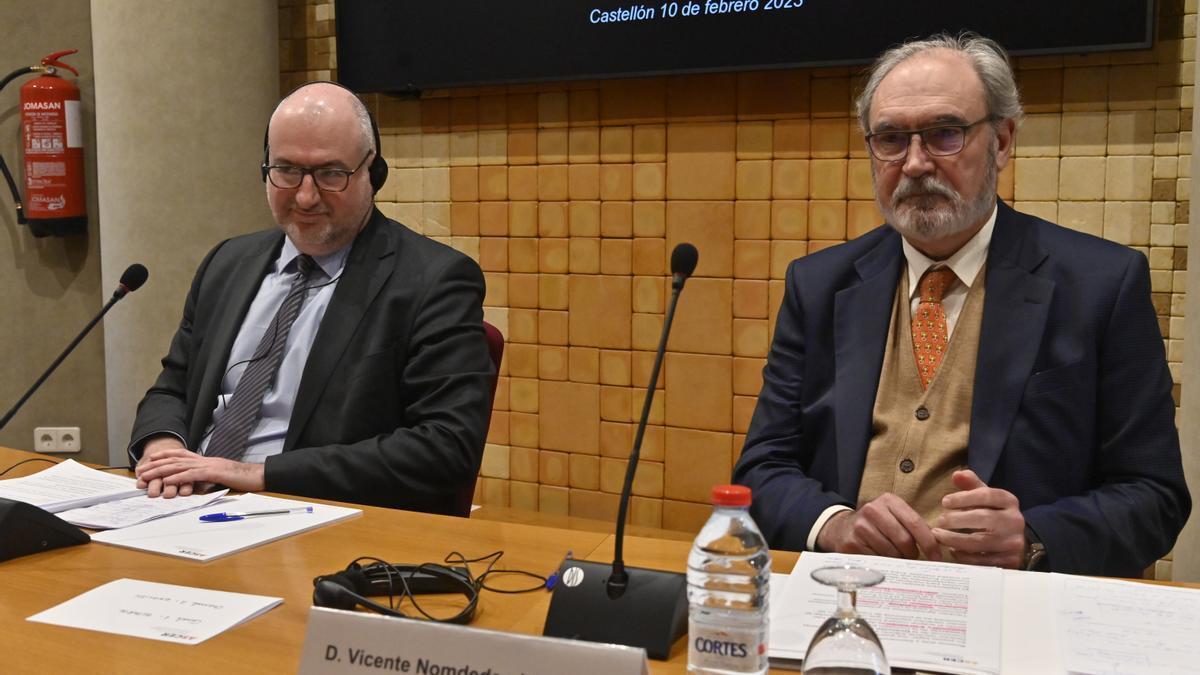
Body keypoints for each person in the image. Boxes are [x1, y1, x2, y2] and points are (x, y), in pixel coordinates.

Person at [733, 34, 1190, 576]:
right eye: (892, 139)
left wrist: (1033, 539)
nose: (915, 163)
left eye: (945, 134)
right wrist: (833, 523)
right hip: (846, 600)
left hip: (1011, 615)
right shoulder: (818, 285)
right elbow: (761, 470)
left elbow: (1154, 497)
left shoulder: (1101, 285)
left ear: (1001, 141)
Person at [129, 82, 494, 516]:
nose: (305, 196)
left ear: (372, 173)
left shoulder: (433, 280)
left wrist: (260, 473)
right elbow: (174, 385)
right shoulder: (227, 263)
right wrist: (162, 445)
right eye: (286, 171)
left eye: (330, 174)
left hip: (312, 514)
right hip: (186, 505)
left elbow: (444, 448)